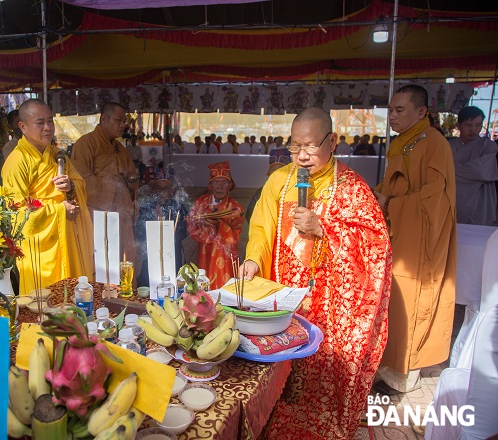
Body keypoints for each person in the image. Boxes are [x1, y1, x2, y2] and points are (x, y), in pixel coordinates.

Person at [241, 107, 391, 439]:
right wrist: (253, 259)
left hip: (332, 307)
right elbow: (262, 230)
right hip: (285, 300)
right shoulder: (279, 182)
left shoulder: (352, 188)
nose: (302, 156)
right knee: (281, 374)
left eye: (310, 146)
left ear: (333, 141)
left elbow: (375, 245)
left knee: (324, 371)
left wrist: (324, 227)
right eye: (295, 147)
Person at [374, 84, 456, 394]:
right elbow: (394, 182)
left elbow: (434, 198)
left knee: (412, 298)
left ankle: (405, 372)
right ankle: (388, 363)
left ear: (421, 112)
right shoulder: (405, 142)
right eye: (391, 110)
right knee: (392, 296)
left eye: (399, 110)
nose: (392, 116)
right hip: (400, 230)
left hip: (420, 236)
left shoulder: (433, 143)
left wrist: (391, 203)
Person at [2, 99, 94, 295]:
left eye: (50, 121)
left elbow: (80, 186)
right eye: (40, 122)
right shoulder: (17, 162)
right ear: (23, 127)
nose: (47, 128)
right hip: (39, 248)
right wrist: (60, 211)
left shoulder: (58, 156)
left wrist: (71, 187)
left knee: (72, 294)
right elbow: (17, 213)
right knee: (44, 301)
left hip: (66, 237)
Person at [71, 101, 139, 269]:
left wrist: (131, 183)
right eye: (119, 120)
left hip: (121, 209)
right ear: (104, 119)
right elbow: (81, 177)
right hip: (97, 212)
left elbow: (132, 177)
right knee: (101, 257)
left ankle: (125, 291)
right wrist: (112, 187)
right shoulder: (85, 143)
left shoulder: (119, 148)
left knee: (124, 254)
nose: (123, 125)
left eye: (124, 121)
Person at [187, 161, 244, 290]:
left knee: (226, 285)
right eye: (216, 183)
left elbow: (236, 229)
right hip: (205, 249)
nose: (220, 187)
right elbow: (191, 224)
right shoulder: (201, 203)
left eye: (223, 183)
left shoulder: (235, 207)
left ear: (230, 185)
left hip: (226, 252)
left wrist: (219, 223)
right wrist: (203, 224)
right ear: (210, 185)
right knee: (203, 279)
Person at [135, 168, 189, 287]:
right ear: (153, 191)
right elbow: (138, 231)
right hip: (149, 253)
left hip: (172, 252)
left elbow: (185, 231)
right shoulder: (146, 207)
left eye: (166, 188)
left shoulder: (179, 207)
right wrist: (153, 225)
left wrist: (166, 226)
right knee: (148, 283)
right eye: (158, 188)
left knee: (172, 283)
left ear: (172, 191)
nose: (162, 192)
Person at [449, 106, 498, 225]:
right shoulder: (448, 146)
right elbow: (440, 172)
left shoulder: (488, 146)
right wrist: (471, 177)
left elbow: (481, 172)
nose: (474, 130)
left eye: (478, 125)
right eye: (468, 125)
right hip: (452, 200)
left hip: (480, 202)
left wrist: (452, 171)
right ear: (458, 126)